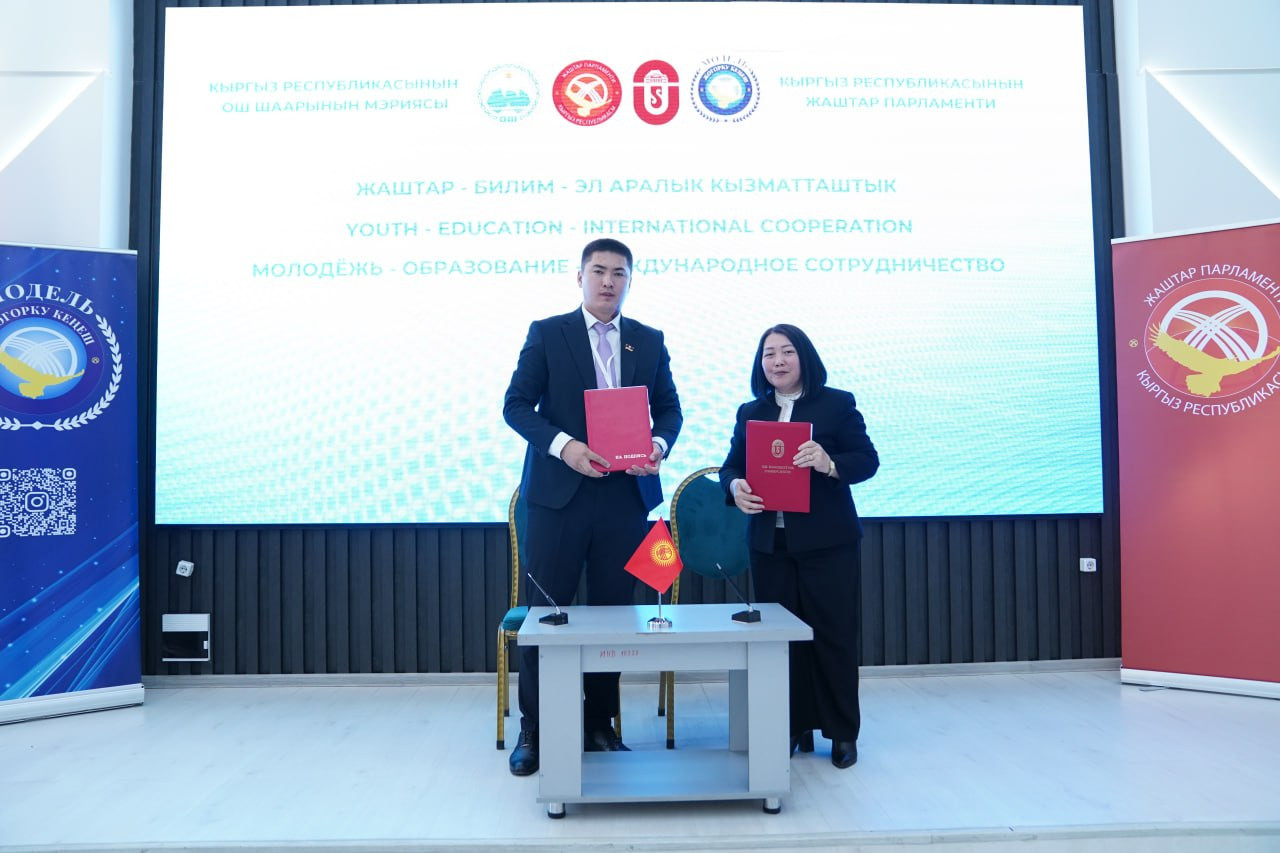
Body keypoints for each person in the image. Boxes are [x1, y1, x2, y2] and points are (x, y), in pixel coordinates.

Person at [502, 238, 683, 777]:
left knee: (611, 619)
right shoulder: (547, 333)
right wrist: (565, 447)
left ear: (629, 280)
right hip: (559, 498)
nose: (608, 281)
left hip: (624, 498)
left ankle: (601, 725)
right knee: (546, 616)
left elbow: (669, 409)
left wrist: (658, 445)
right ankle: (535, 731)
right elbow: (516, 405)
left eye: (619, 273)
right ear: (579, 277)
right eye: (599, 271)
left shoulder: (648, 340)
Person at [719, 323, 878, 769]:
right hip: (770, 544)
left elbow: (867, 461)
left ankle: (842, 733)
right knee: (779, 642)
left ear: (804, 356)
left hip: (828, 543)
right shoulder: (750, 412)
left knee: (833, 636)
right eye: (769, 354)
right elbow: (730, 466)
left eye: (787, 351)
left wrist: (829, 463)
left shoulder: (837, 404)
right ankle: (792, 725)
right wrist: (734, 487)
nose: (778, 361)